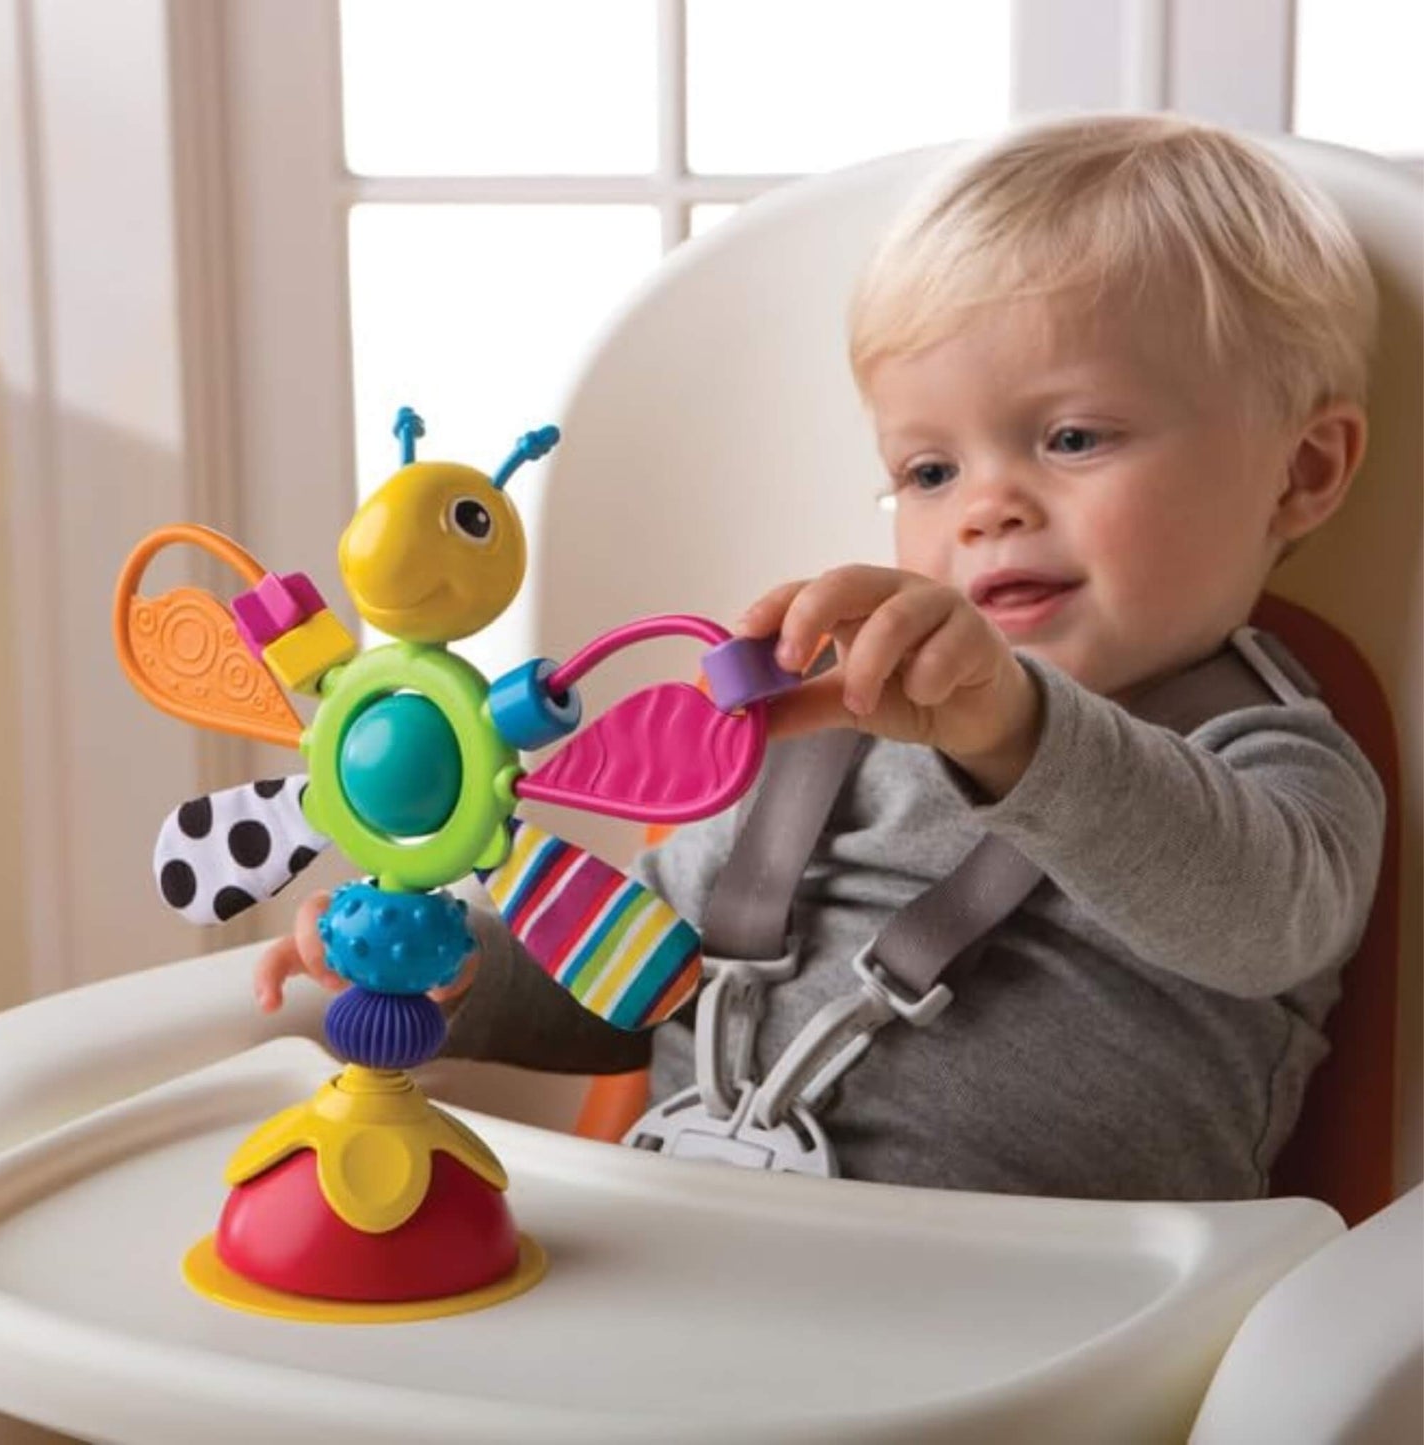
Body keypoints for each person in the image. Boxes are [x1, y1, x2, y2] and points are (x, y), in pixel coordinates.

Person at [255, 114, 1385, 1200]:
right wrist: (464, 975)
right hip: (705, 1254)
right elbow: (634, 984)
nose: (986, 506)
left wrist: (1012, 724)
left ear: (1302, 472)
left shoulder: (1272, 758)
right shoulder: (809, 735)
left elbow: (1255, 919)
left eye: (1072, 437)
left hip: (1037, 1333)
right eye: (928, 472)